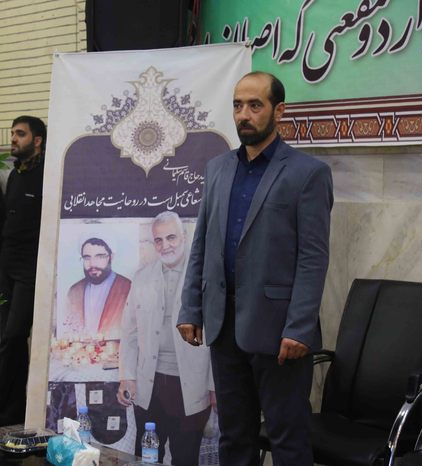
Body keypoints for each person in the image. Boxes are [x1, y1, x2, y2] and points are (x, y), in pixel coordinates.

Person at [178, 71, 333, 466]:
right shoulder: (217, 169)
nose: (243, 115)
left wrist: (299, 327)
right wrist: (191, 307)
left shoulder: (307, 173)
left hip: (279, 331)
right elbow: (202, 244)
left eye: (254, 105)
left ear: (279, 111)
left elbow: (313, 258)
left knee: (287, 439)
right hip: (223, 324)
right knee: (234, 436)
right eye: (237, 105)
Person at [118, 211, 214, 465]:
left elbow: (218, 336)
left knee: (185, 458)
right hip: (149, 386)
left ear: (184, 237)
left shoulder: (206, 277)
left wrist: (214, 387)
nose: (165, 245)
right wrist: (128, 376)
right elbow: (129, 331)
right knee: (146, 457)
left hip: (191, 386)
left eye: (171, 237)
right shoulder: (142, 277)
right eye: (158, 240)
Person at [0, 115, 46, 426]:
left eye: (20, 134)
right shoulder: (14, 174)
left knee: (14, 334)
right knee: (9, 339)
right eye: (12, 133)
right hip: (8, 263)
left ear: (37, 140)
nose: (13, 138)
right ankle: (14, 410)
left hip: (32, 264)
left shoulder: (46, 174)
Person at [61, 237, 131, 340]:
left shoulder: (127, 288)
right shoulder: (74, 291)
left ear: (111, 257)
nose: (92, 264)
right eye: (87, 258)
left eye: (99, 257)